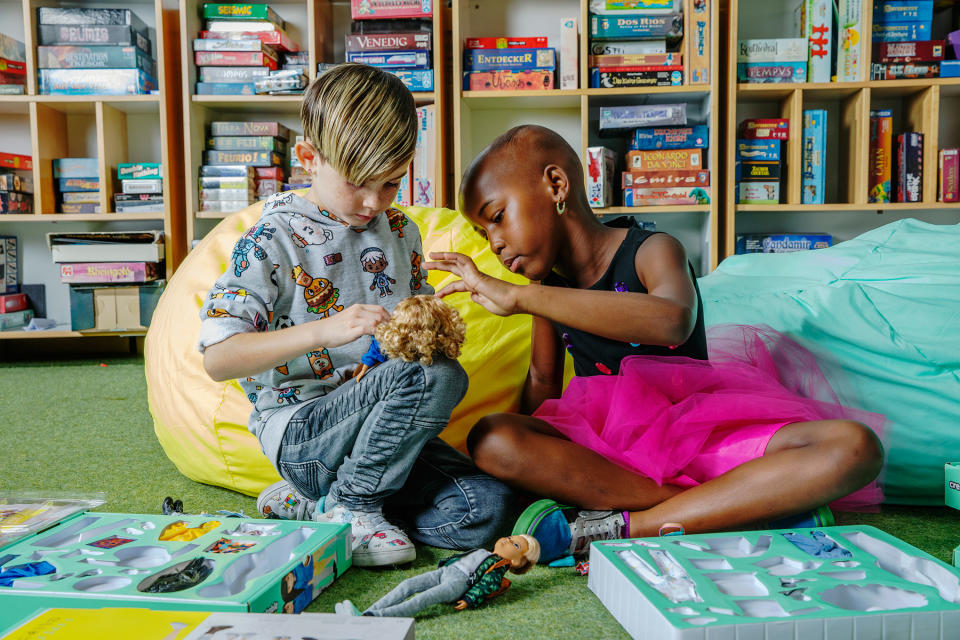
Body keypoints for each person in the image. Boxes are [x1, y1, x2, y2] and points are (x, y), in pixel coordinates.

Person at [424, 124, 884, 563]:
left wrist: (522, 296)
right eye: (485, 235)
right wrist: (525, 470)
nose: (496, 245)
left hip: (703, 433)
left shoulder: (652, 248)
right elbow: (543, 381)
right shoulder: (546, 289)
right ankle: (738, 507)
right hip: (609, 457)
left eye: (498, 218)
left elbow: (672, 321)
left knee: (855, 447)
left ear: (557, 184)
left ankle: (634, 527)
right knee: (492, 438)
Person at [198, 63, 514, 568]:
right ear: (308, 158)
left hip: (379, 437)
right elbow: (219, 359)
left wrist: (441, 316)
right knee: (436, 376)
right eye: (358, 183)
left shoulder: (400, 232)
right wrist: (324, 329)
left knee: (485, 511)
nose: (373, 202)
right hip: (305, 432)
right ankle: (352, 505)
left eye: (390, 184)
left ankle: (318, 504)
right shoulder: (270, 239)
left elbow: (410, 351)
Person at [335, 534, 540, 618]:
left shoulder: (496, 569)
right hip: (445, 572)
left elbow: (486, 585)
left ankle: (372, 617)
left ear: (517, 562)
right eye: (511, 537)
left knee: (422, 599)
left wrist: (470, 599)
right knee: (408, 584)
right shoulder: (486, 553)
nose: (507, 539)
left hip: (458, 583)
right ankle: (363, 614)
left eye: (515, 545)